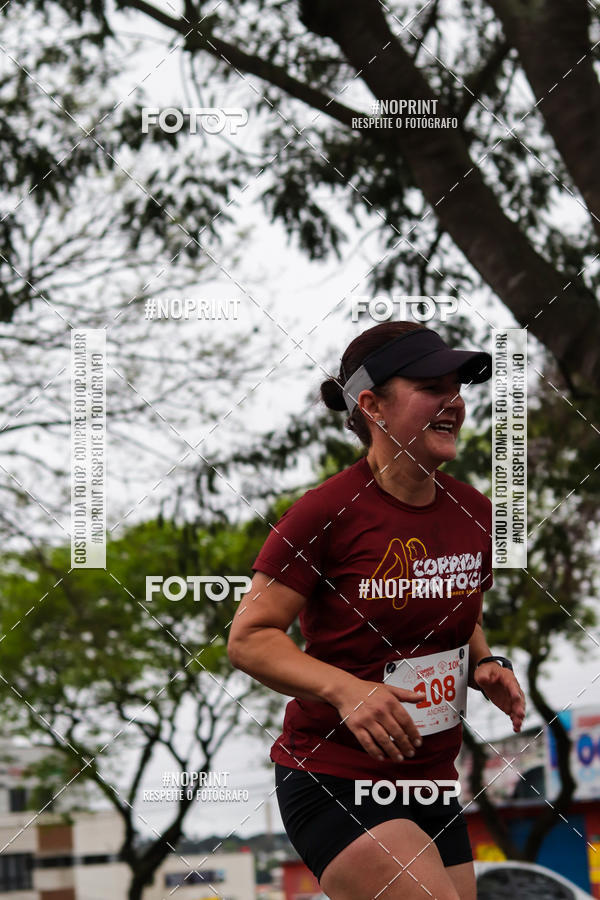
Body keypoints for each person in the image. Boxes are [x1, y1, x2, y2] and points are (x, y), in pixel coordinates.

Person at [228, 322, 526, 900]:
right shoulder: (325, 513)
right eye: (430, 386)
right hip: (336, 775)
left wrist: (488, 661)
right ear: (372, 406)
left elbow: (458, 604)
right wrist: (347, 690)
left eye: (457, 387)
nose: (454, 402)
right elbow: (250, 637)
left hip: (431, 781)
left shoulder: (474, 511)